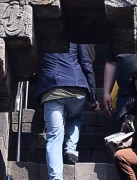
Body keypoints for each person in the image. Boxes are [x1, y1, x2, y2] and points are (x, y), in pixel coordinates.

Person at [35, 42, 97, 178]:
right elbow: (86, 64)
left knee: (54, 137)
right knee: (75, 118)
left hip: (52, 89)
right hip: (77, 87)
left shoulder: (42, 38)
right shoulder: (75, 38)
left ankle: (56, 177)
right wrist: (93, 97)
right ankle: (71, 149)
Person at [99, 45, 137, 128]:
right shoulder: (117, 36)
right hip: (125, 96)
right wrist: (106, 92)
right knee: (125, 132)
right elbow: (111, 63)